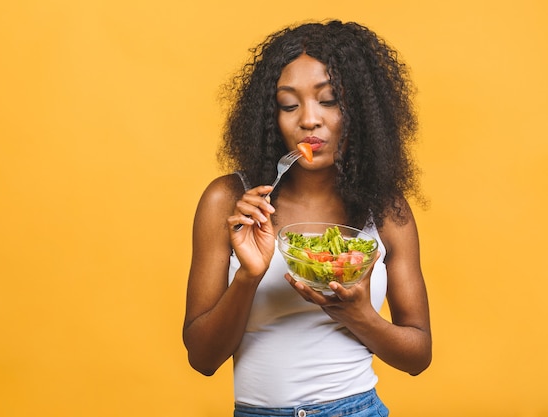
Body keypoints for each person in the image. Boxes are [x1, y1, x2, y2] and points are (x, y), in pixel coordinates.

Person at [183, 20, 431, 417]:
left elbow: (418, 355)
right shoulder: (228, 201)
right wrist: (248, 276)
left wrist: (358, 314)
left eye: (329, 100)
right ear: (271, 116)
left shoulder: (385, 208)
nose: (309, 120)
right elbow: (202, 358)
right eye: (289, 104)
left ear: (362, 111)